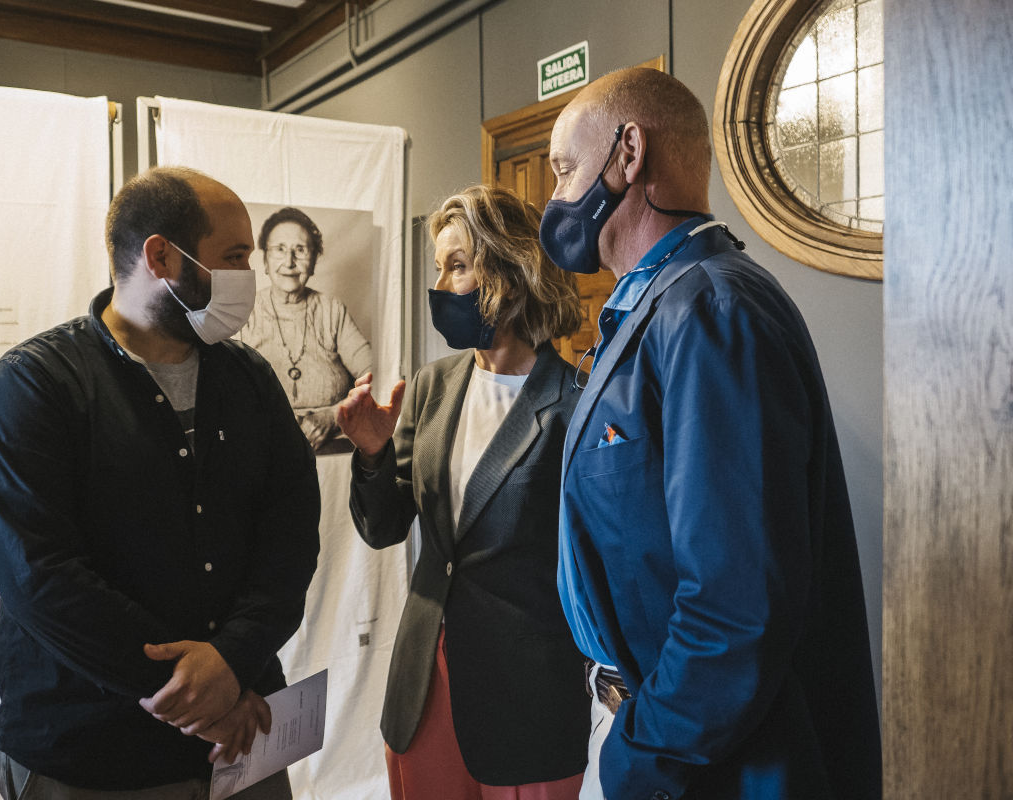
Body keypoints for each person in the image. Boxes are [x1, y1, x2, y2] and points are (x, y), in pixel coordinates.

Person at [540, 67, 881, 800]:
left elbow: (736, 603)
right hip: (646, 724)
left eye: (565, 170)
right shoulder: (655, 307)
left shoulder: (712, 310)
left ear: (627, 155)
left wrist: (640, 757)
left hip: (695, 756)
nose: (556, 200)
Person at [0, 166, 320, 799]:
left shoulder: (250, 380)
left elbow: (290, 537)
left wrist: (233, 660)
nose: (250, 276)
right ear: (161, 256)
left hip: (243, 743)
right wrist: (200, 693)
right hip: (93, 756)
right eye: (235, 257)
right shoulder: (33, 387)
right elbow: (41, 577)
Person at [337, 184, 591, 800]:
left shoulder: (577, 404)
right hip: (426, 683)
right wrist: (372, 453)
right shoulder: (430, 387)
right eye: (439, 268)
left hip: (528, 694)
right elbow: (384, 527)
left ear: (509, 270)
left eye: (457, 265)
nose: (442, 285)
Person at [240, 206, 372, 454]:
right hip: (260, 451)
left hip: (334, 450)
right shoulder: (245, 312)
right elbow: (223, 391)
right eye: (279, 249)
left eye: (300, 250)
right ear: (266, 260)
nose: (289, 262)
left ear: (313, 261)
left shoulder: (331, 311)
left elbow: (375, 376)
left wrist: (334, 416)